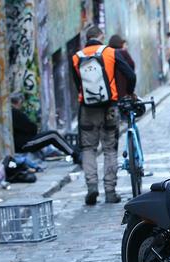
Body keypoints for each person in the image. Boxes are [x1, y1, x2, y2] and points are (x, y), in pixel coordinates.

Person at [72, 25, 136, 205]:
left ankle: (92, 187)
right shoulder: (110, 53)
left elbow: (77, 84)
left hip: (87, 109)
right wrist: (129, 92)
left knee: (88, 148)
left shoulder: (76, 57)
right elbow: (130, 75)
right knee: (109, 149)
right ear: (101, 37)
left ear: (87, 38)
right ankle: (110, 191)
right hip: (109, 107)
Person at [10, 93, 79, 163]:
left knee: (51, 135)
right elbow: (32, 128)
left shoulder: (11, 113)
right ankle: (74, 154)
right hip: (24, 143)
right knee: (53, 135)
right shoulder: (15, 113)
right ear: (18, 102)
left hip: (22, 142)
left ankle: (73, 152)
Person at [108, 34, 136, 99]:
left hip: (111, 93)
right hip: (123, 90)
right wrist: (130, 91)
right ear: (120, 43)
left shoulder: (107, 54)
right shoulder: (123, 53)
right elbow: (132, 69)